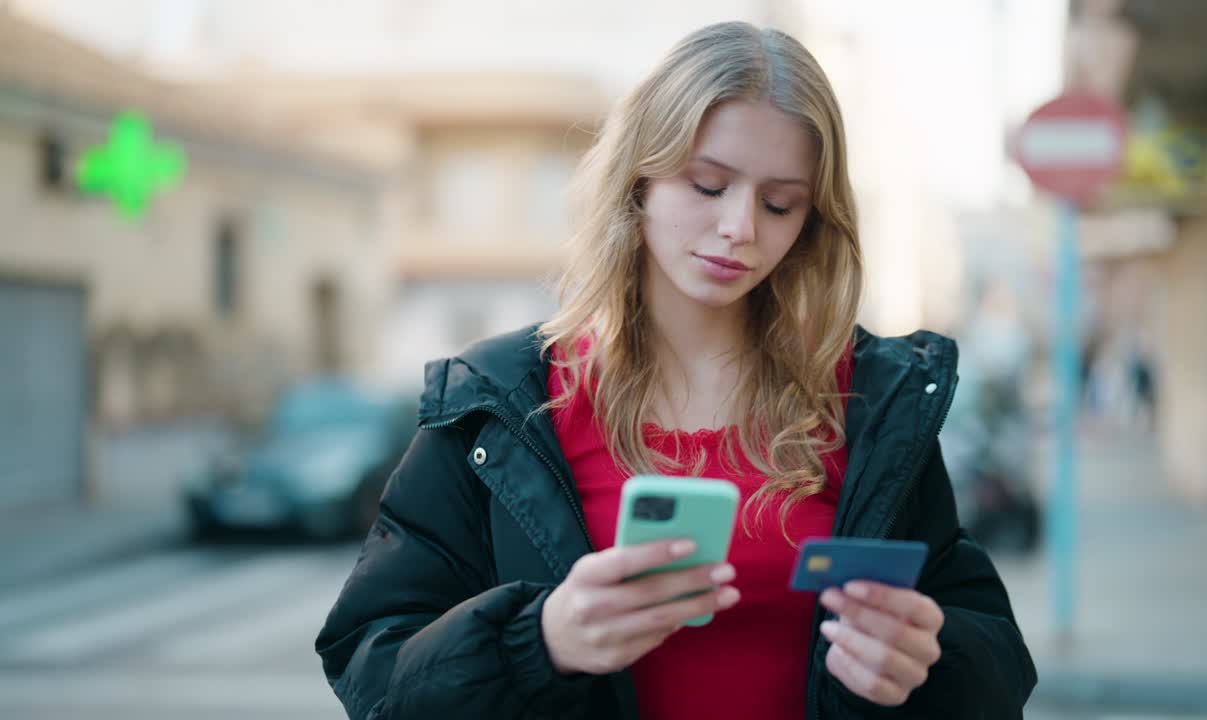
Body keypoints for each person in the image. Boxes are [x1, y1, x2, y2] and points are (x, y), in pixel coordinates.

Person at [316, 21, 1036, 719]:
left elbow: (995, 658)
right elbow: (371, 666)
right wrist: (540, 641)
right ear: (639, 177)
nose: (740, 228)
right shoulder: (498, 399)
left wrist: (928, 664)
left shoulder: (871, 400)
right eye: (708, 186)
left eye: (779, 204)